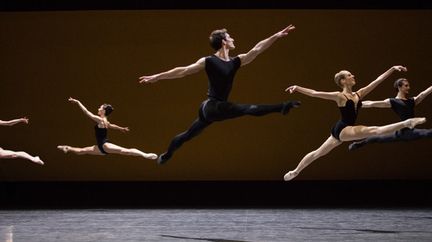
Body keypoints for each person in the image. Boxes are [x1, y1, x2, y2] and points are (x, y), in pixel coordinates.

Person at [139, 25, 301, 164]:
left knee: (188, 135)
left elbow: (257, 49)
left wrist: (276, 36)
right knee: (245, 109)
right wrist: (157, 77)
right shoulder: (208, 61)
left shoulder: (236, 61)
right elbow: (183, 71)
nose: (233, 39)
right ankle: (282, 106)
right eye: (229, 37)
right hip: (211, 107)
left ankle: (166, 156)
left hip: (213, 108)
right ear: (224, 41)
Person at [283, 66, 426, 181]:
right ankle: (407, 123)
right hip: (344, 128)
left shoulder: (359, 94)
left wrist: (392, 69)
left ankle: (295, 171)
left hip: (341, 129)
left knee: (318, 153)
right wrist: (297, 87)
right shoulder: (339, 96)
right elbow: (315, 93)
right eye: (350, 75)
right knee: (374, 131)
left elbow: (377, 81)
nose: (353, 76)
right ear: (343, 81)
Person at [57, 97, 157, 160]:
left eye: (100, 107)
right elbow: (111, 125)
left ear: (103, 111)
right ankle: (67, 147)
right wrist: (121, 128)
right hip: (100, 147)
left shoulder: (100, 120)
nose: (98, 108)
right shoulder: (105, 121)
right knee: (82, 151)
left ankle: (145, 155)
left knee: (125, 151)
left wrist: (78, 102)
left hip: (105, 145)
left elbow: (87, 112)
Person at [348, 78, 432, 150]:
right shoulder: (393, 101)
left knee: (428, 133)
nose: (408, 88)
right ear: (399, 87)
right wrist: (356, 104)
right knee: (375, 137)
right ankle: (359, 144)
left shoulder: (412, 101)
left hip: (409, 131)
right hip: (401, 132)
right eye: (406, 86)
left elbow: (423, 94)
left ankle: (360, 143)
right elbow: (372, 103)